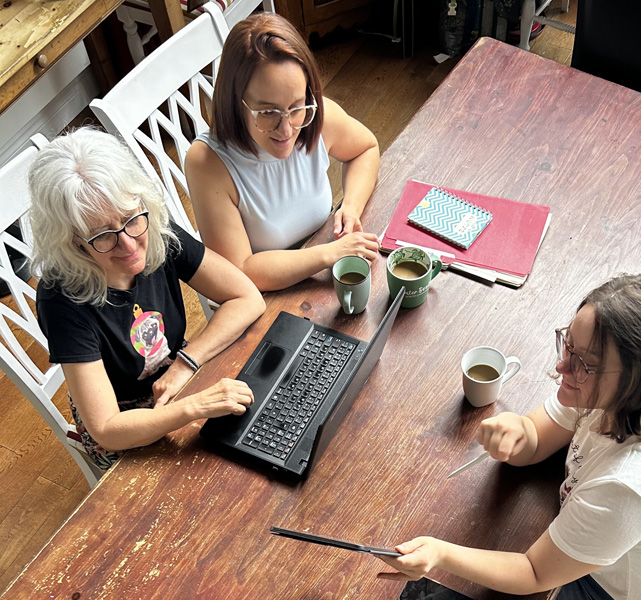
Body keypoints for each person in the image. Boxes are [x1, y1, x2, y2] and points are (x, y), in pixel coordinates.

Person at [377, 275, 641, 599]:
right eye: (567, 345)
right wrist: (518, 431)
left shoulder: (629, 485)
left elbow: (533, 573)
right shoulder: (636, 391)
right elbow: (538, 436)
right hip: (598, 547)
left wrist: (439, 553)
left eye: (585, 364)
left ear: (639, 380)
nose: (563, 368)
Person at [30, 128, 266, 470]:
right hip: (123, 417)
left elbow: (247, 297)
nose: (128, 244)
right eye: (102, 237)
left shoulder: (151, 227)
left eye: (130, 220)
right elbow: (107, 429)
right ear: (74, 242)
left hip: (177, 372)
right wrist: (191, 408)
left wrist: (187, 362)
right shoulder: (61, 297)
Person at [185, 11, 381, 292]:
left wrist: (351, 207)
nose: (287, 130)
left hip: (321, 281)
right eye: (268, 112)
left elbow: (366, 148)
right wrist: (329, 254)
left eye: (297, 107)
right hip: (265, 300)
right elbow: (240, 271)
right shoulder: (207, 163)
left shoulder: (315, 117)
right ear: (234, 102)